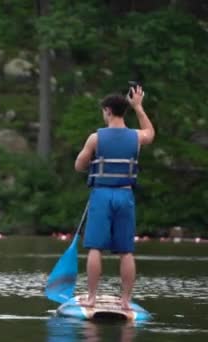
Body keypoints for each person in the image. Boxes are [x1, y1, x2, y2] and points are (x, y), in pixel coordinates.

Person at [74, 85, 155, 310]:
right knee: (126, 251)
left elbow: (79, 165)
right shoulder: (137, 137)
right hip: (125, 195)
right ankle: (126, 300)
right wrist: (138, 107)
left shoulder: (95, 138)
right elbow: (151, 133)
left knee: (94, 248)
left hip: (101, 196)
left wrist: (92, 161)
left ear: (108, 111)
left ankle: (91, 297)